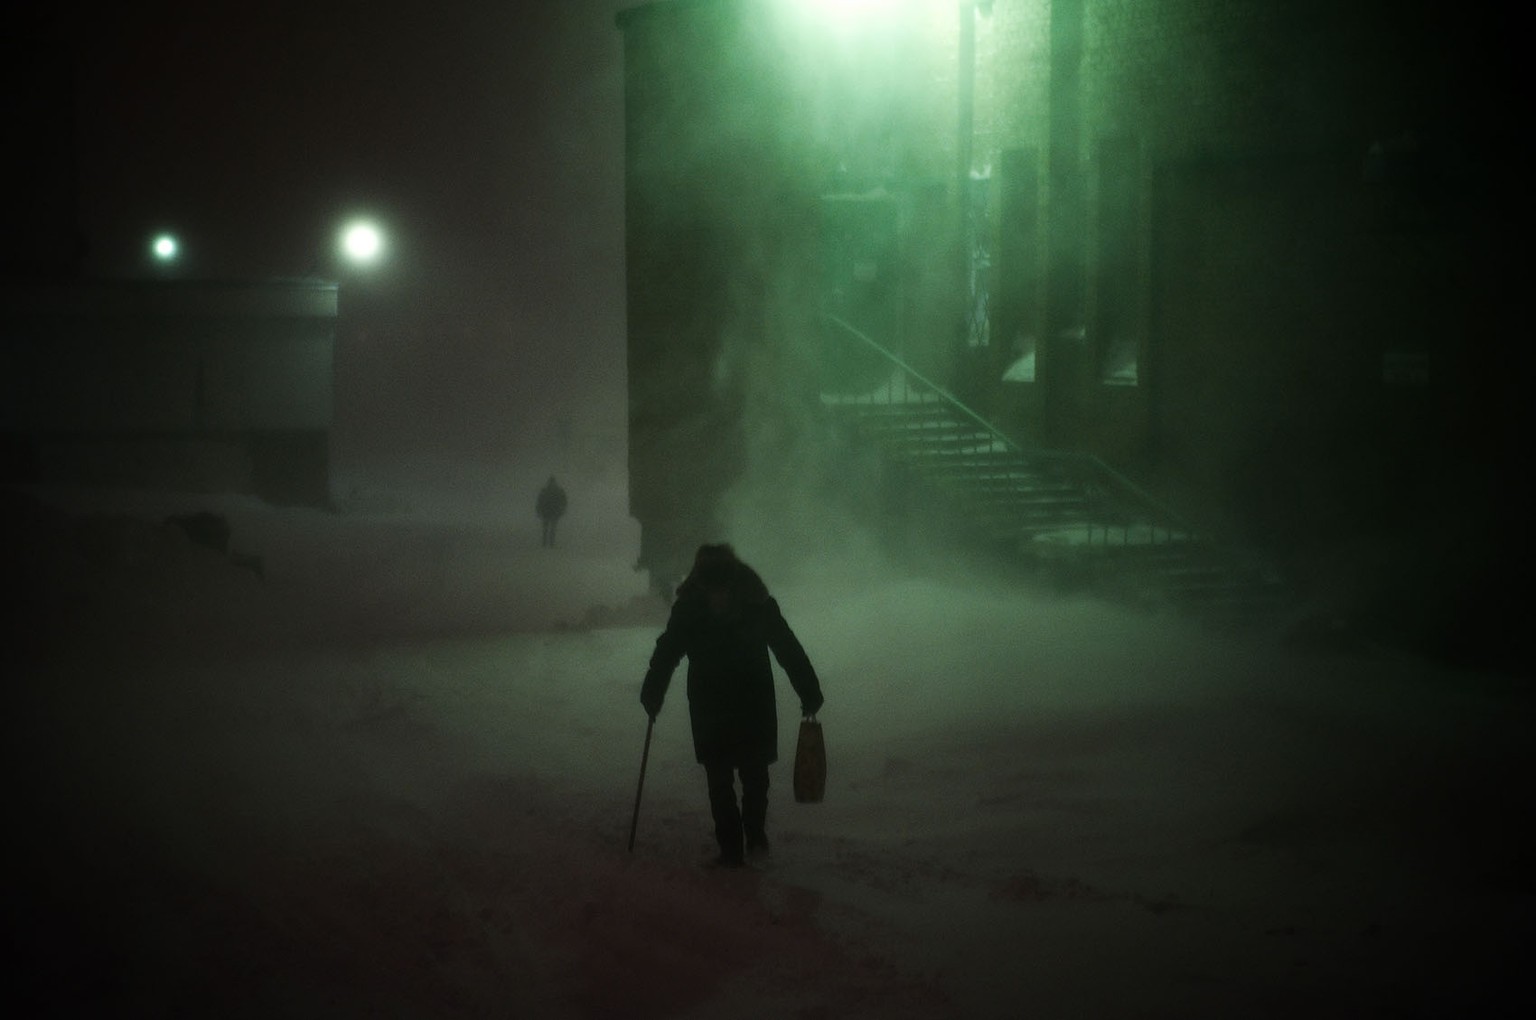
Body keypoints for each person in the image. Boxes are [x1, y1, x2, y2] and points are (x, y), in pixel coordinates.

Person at [640, 544, 824, 867]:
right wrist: (808, 690)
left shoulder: (691, 606)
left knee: (719, 777)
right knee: (755, 774)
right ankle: (755, 835)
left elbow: (667, 651)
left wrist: (653, 692)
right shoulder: (756, 602)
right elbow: (787, 647)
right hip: (754, 699)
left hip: (710, 703)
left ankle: (731, 849)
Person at [535, 476, 567, 548]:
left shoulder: (545, 490)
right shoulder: (558, 490)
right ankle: (550, 542)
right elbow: (564, 501)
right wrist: (562, 509)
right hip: (554, 511)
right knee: (552, 528)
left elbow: (539, 501)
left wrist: (538, 510)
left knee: (546, 528)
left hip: (546, 511)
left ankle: (545, 542)